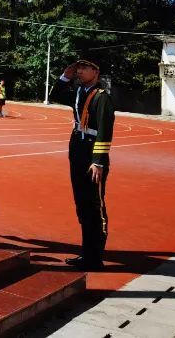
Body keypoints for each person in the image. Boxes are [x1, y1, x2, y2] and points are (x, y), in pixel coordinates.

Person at [53, 58, 115, 271]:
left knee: (95, 206)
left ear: (95, 71)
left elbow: (105, 132)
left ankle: (95, 258)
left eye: (84, 67)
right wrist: (65, 77)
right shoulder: (80, 91)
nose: (79, 71)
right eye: (78, 67)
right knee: (82, 205)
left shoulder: (101, 97)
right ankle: (86, 254)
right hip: (78, 153)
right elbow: (55, 95)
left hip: (92, 157)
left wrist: (98, 162)